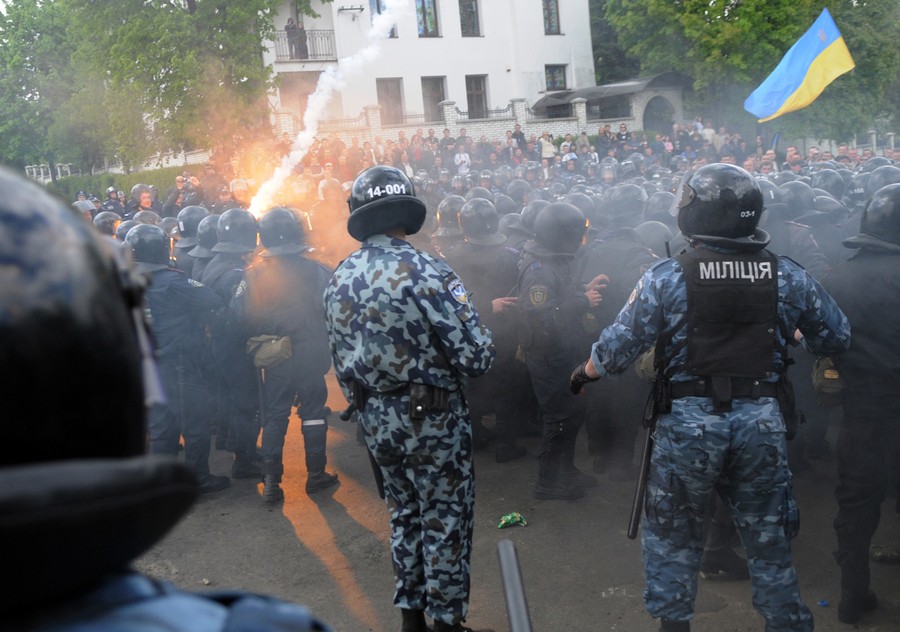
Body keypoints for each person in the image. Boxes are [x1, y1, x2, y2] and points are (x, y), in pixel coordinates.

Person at [0, 165, 330, 630]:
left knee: (181, 423)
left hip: (184, 365)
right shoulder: (252, 622)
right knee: (193, 422)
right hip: (188, 366)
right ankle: (206, 473)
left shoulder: (133, 284)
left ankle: (245, 469)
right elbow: (223, 308)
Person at [570, 163, 850, 632]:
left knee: (674, 535)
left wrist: (583, 373)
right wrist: (792, 333)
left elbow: (617, 348)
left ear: (692, 214)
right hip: (761, 423)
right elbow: (837, 336)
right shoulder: (788, 275)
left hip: (686, 428)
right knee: (768, 539)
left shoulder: (665, 276)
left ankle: (674, 624)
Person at [324, 166, 495, 632]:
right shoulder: (427, 268)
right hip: (433, 418)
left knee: (404, 515)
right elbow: (477, 356)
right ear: (407, 211)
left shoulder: (340, 275)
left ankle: (411, 619)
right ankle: (446, 622)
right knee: (444, 518)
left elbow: (338, 359)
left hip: (376, 418)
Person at [822, 183, 900, 624]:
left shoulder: (837, 277)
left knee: (856, 504)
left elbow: (819, 341)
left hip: (861, 412)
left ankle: (853, 594)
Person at [232, 208, 337, 502]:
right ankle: (316, 475)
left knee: (275, 414)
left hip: (276, 355)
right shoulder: (319, 271)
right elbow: (333, 310)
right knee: (314, 412)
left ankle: (270, 483)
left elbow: (239, 314)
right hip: (312, 353)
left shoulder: (252, 275)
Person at [125, 223, 229, 494]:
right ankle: (198, 478)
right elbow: (213, 300)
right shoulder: (172, 281)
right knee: (195, 423)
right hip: (178, 363)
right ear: (162, 250)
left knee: (161, 426)